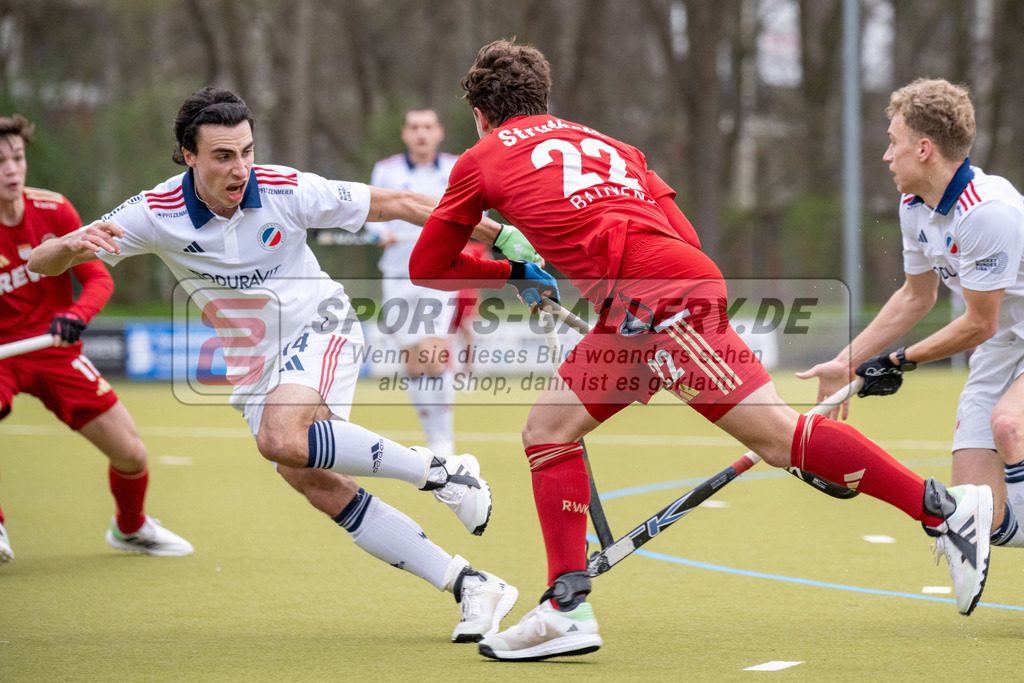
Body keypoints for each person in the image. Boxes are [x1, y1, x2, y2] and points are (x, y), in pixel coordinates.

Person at [409, 40, 993, 661]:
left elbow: (429, 267)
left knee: (775, 437)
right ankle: (565, 605)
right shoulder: (607, 143)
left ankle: (947, 509)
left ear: (479, 113)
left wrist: (514, 274)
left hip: (660, 303)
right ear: (544, 100)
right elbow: (680, 233)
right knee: (549, 429)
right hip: (649, 300)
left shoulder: (478, 158)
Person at [26, 87, 520, 642]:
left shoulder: (287, 188)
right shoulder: (154, 212)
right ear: (188, 156)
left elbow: (405, 204)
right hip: (254, 365)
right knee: (313, 480)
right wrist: (71, 246)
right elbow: (41, 262)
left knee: (282, 437)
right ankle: (472, 585)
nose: (241, 169)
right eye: (222, 156)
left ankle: (444, 473)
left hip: (322, 325)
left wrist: (498, 235)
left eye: (247, 151)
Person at [798, 78, 1024, 551]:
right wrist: (848, 359)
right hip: (1003, 346)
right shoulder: (915, 207)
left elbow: (979, 321)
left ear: (923, 149)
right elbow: (915, 296)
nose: (886, 156)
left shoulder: (987, 211)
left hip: (996, 332)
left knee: (1010, 424)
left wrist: (900, 360)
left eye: (892, 142)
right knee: (974, 513)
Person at [0, 114, 192, 564]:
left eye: (18, 158)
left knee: (131, 453)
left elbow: (97, 279)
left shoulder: (53, 210)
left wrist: (74, 315)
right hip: (2, 357)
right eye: (0, 162)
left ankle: (130, 527)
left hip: (53, 348)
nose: (11, 169)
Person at [364, 108, 537, 455]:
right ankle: (431, 434)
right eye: (414, 127)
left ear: (439, 132)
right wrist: (378, 232)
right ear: (405, 134)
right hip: (397, 275)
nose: (421, 134)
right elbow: (372, 211)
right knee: (413, 362)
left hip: (438, 272)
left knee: (434, 353)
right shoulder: (387, 169)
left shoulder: (457, 167)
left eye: (427, 127)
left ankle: (443, 439)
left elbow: (477, 216)